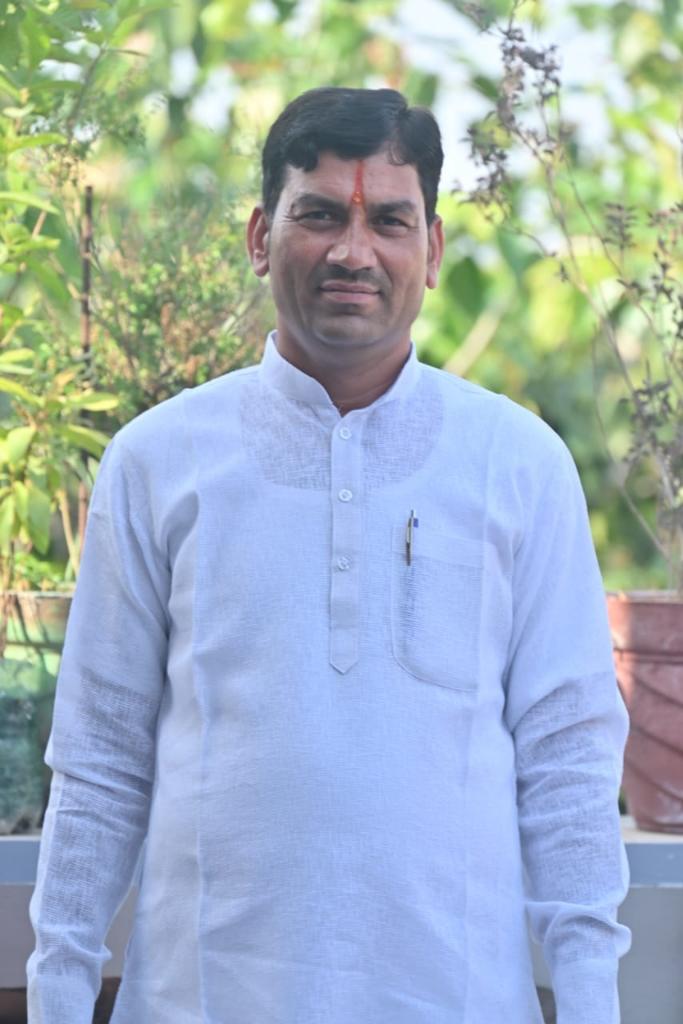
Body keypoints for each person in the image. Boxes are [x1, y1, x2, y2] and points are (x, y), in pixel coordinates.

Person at [27, 86, 631, 1024]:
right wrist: (58, 995)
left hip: (457, 1002)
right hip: (202, 1002)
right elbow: (101, 761)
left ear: (432, 250)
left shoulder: (517, 465)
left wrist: (592, 1002)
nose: (353, 252)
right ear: (259, 237)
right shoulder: (159, 461)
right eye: (317, 216)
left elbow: (567, 761)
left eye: (389, 220)